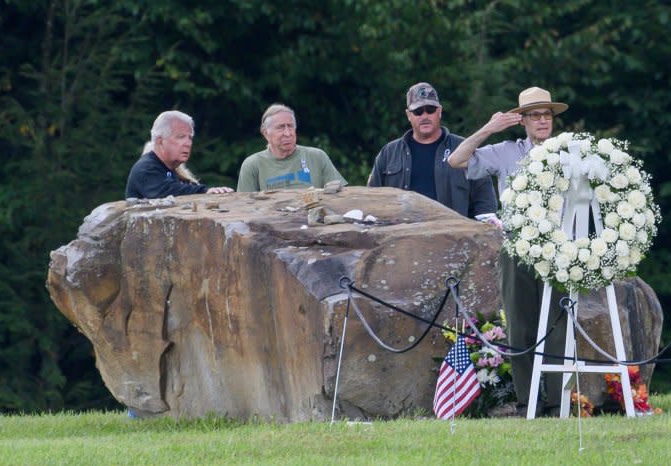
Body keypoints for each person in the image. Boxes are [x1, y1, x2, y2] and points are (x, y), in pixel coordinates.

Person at [449, 87, 570, 416]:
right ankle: (528, 403)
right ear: (523, 121)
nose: (542, 121)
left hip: (561, 250)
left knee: (559, 326)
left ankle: (559, 406)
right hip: (517, 247)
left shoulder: (570, 151)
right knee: (520, 327)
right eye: (535, 115)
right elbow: (456, 159)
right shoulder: (505, 151)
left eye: (547, 115)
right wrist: (489, 128)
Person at [369, 82, 498, 224]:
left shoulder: (464, 148)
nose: (425, 116)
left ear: (440, 111)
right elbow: (373, 200)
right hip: (400, 237)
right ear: (408, 115)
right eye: (418, 111)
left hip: (454, 237)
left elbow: (485, 203)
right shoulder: (389, 153)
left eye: (430, 109)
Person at [237, 104, 347, 192]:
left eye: (290, 126)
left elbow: (341, 195)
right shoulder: (252, 164)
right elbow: (244, 205)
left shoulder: (317, 156)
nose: (288, 133)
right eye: (280, 128)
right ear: (266, 133)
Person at [125, 110, 233, 199]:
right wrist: (205, 191)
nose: (188, 143)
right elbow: (167, 191)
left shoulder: (170, 169)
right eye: (180, 137)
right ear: (160, 141)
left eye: (190, 138)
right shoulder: (145, 168)